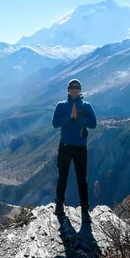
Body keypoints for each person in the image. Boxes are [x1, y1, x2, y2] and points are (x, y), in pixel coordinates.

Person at [51, 78, 97, 222]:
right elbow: (55, 123)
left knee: (82, 179)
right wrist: (69, 117)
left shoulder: (87, 106)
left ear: (80, 90)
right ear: (68, 90)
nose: (74, 90)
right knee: (62, 176)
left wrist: (79, 119)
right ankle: (59, 204)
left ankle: (84, 209)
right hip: (65, 146)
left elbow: (93, 124)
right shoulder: (61, 105)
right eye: (72, 87)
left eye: (77, 87)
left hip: (80, 147)